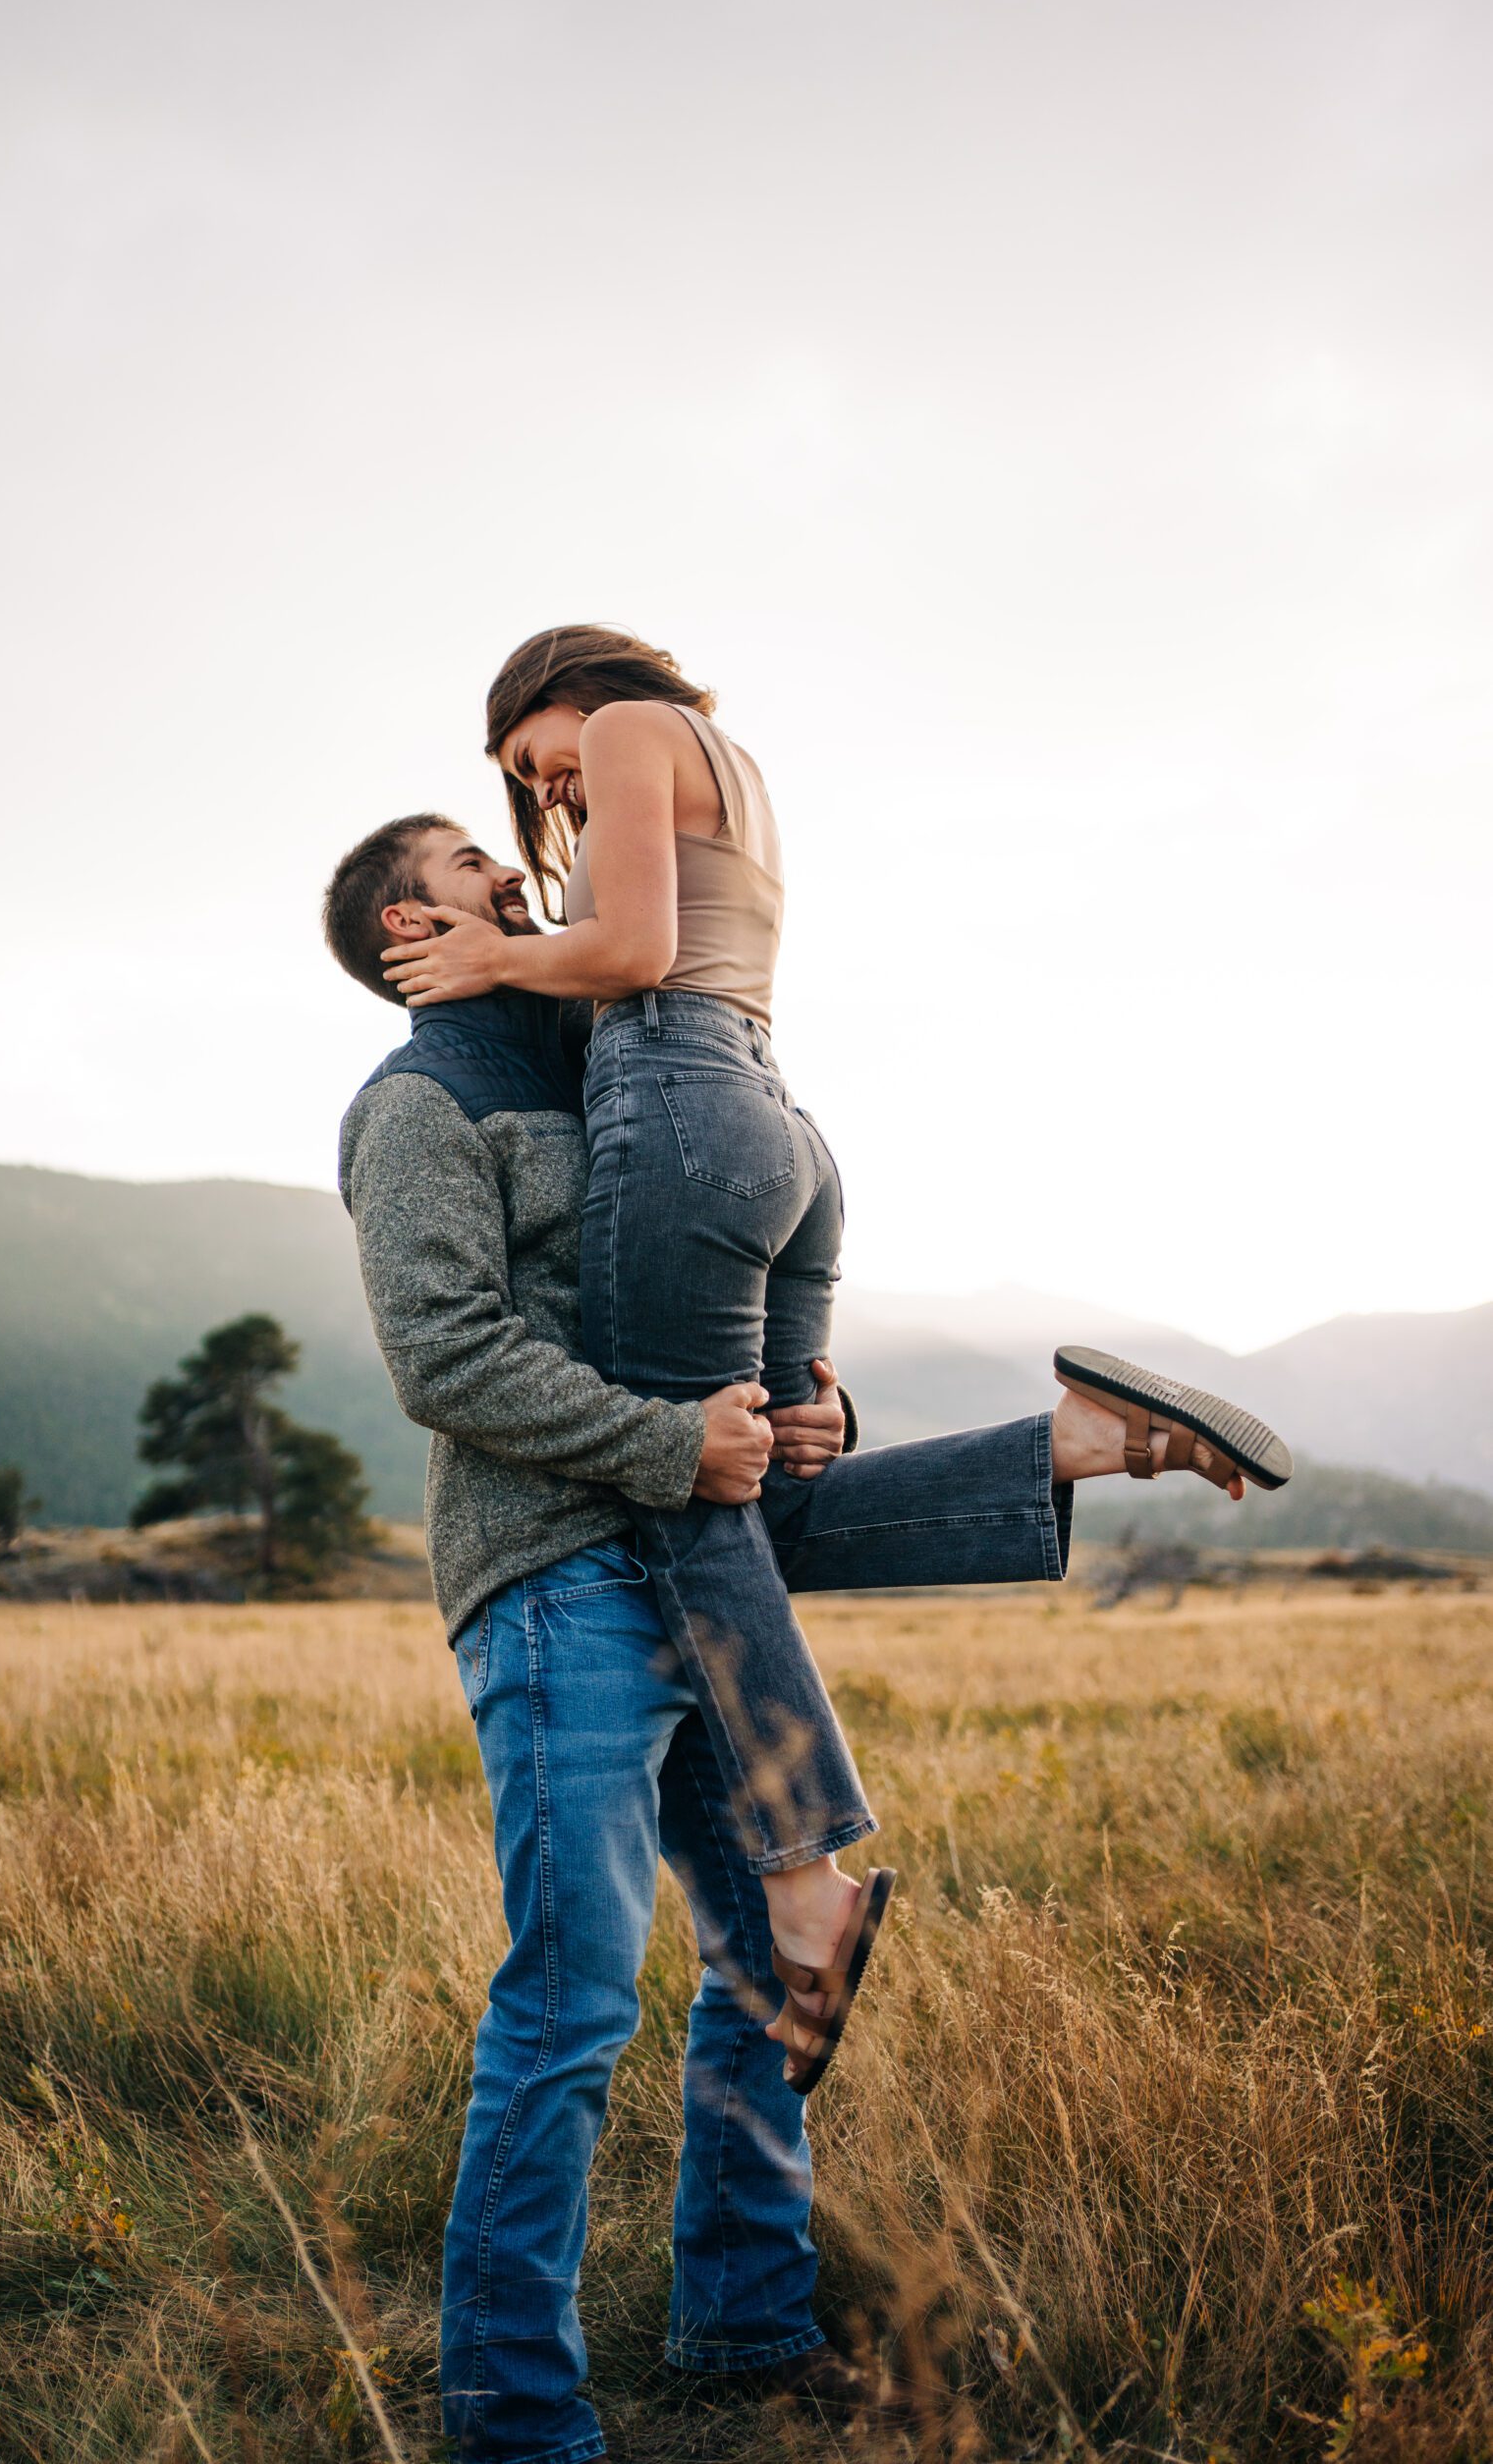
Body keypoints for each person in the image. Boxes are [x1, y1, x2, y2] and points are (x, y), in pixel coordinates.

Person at [326, 809, 1294, 2464]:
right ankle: (511, 2415)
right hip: (556, 1581)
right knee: (567, 2005)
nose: (513, 868)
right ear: (409, 934)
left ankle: (743, 2322)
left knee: (758, 1967)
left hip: (698, 1556)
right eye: (470, 866)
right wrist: (663, 1444)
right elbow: (445, 1357)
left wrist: (811, 1395)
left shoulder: (610, 1068)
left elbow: (724, 1276)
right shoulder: (417, 1107)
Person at [377, 627, 1291, 2087]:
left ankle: (803, 1876)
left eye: (534, 761)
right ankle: (1071, 1444)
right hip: (777, 1124)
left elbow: (634, 955)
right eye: (533, 788)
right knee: (761, 1485)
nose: (549, 793)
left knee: (685, 1490)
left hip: (675, 1105)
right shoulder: (731, 764)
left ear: (559, 686)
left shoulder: (623, 723)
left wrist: (494, 947)